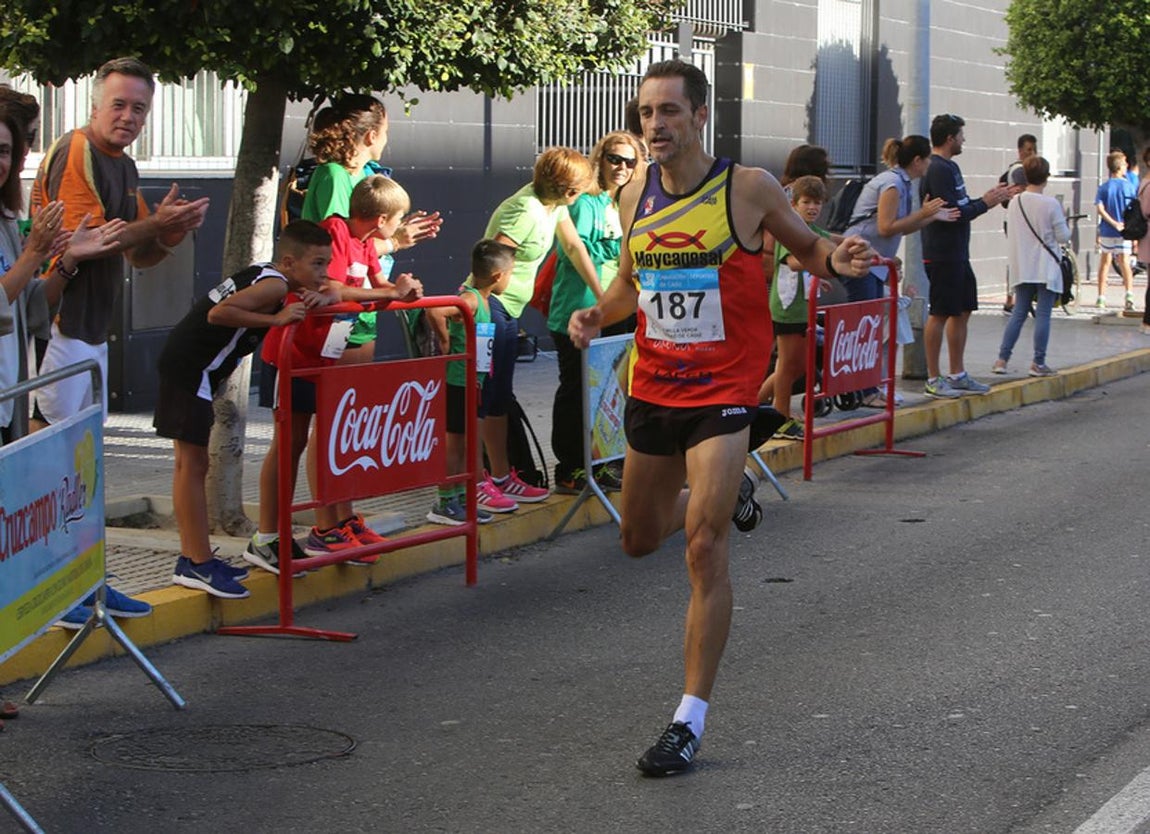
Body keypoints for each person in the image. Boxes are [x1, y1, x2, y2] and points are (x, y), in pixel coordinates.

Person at [567, 59, 874, 776]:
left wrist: (842, 257)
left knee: (703, 547)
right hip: (653, 389)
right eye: (646, 113)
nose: (655, 125)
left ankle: (687, 720)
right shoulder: (634, 192)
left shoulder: (748, 189)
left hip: (723, 391)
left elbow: (809, 251)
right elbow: (627, 286)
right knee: (639, 539)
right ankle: (723, 491)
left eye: (669, 111)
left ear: (700, 116)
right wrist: (595, 312)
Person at [28, 57, 210, 626]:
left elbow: (138, 252)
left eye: (139, 108)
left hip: (91, 334)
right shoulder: (75, 150)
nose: (129, 117)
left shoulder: (124, 165)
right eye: (119, 105)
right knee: (52, 469)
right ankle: (54, 591)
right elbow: (92, 241)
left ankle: (86, 583)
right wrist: (153, 227)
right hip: (58, 330)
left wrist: (169, 231)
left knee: (82, 471)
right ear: (95, 105)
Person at [245, 180, 422, 574]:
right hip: (291, 354)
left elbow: (374, 287)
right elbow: (333, 288)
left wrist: (402, 289)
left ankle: (329, 524)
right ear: (381, 220)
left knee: (320, 439)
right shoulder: (335, 233)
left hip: (322, 357)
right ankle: (267, 537)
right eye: (398, 220)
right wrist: (375, 293)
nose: (400, 228)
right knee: (287, 446)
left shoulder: (364, 245)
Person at [157, 220, 336, 598]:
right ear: (289, 262)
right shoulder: (273, 286)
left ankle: (198, 557)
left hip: (194, 367)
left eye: (327, 264)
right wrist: (275, 319)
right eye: (318, 264)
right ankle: (195, 562)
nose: (325, 273)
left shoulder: (273, 279)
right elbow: (218, 314)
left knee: (192, 463)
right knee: (191, 465)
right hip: (190, 368)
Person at [476, 147, 600, 511]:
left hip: (507, 310)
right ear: (569, 190)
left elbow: (575, 247)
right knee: (483, 400)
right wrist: (481, 312)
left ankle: (501, 477)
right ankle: (479, 483)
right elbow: (490, 258)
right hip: (491, 309)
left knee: (498, 399)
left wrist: (603, 295)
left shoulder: (552, 206)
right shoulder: (525, 210)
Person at [299, 94, 441, 363]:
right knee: (337, 391)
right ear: (372, 136)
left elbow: (365, 248)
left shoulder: (366, 174)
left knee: (356, 390)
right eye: (386, 132)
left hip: (362, 307)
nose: (388, 139)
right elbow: (340, 250)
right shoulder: (334, 175)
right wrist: (394, 242)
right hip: (337, 311)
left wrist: (401, 284)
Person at [547, 130, 643, 493]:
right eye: (614, 159)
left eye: (629, 162)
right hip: (579, 308)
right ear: (599, 160)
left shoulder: (623, 203)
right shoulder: (585, 202)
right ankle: (570, 467)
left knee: (608, 391)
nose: (621, 167)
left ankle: (601, 462)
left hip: (613, 311)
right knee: (576, 391)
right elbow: (578, 250)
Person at [844, 135, 958, 407]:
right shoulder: (893, 184)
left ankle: (870, 388)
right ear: (917, 160)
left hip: (874, 261)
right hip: (859, 258)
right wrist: (923, 215)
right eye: (927, 158)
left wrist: (929, 217)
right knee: (866, 326)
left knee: (874, 324)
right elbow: (885, 227)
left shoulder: (901, 183)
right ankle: (865, 390)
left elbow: (901, 226)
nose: (929, 163)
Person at [919, 113, 1013, 399]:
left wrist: (986, 199)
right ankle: (933, 378)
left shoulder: (950, 168)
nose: (964, 140)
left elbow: (960, 205)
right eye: (961, 135)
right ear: (950, 139)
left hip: (958, 252)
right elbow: (954, 213)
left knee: (962, 308)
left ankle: (957, 373)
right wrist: (986, 203)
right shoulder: (938, 169)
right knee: (940, 312)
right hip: (942, 253)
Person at [425, 239, 515, 525]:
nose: (511, 279)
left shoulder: (485, 299)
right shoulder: (472, 299)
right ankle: (445, 502)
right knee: (455, 444)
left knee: (465, 443)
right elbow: (436, 310)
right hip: (458, 381)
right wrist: (445, 340)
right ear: (498, 276)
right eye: (511, 274)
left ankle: (463, 498)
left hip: (473, 382)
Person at [757, 176, 834, 441]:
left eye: (817, 203)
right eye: (807, 202)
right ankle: (780, 418)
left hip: (802, 307)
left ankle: (753, 405)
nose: (813, 207)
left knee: (794, 365)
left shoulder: (811, 230)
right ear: (794, 204)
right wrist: (822, 263)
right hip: (787, 306)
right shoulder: (790, 230)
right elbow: (791, 261)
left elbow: (829, 241)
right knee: (789, 364)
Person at [992, 156, 1069, 378]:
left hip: (1022, 264)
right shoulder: (1051, 204)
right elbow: (1063, 237)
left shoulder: (1014, 202)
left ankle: (1002, 359)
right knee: (1043, 314)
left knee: (1018, 312)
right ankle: (1038, 362)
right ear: (1046, 177)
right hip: (1046, 267)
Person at [1094, 149, 1137, 311]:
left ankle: (1101, 296)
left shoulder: (1104, 188)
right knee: (1125, 262)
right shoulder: (1129, 187)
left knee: (1105, 262)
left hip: (1107, 230)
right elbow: (1134, 209)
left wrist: (1111, 222)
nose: (1127, 166)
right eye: (1125, 164)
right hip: (1124, 231)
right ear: (1119, 167)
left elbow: (1100, 208)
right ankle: (1129, 295)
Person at [999, 134, 1038, 313]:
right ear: (1020, 151)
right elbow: (1028, 191)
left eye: (1034, 150)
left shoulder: (1021, 170)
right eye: (1029, 149)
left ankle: (1014, 298)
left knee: (1018, 258)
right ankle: (1014, 298)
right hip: (1018, 221)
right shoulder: (1020, 171)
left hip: (1018, 219)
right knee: (1019, 258)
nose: (1032, 153)